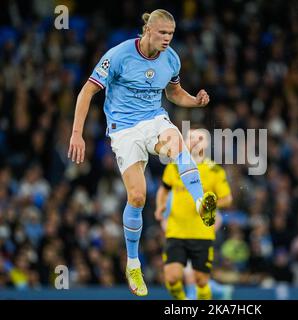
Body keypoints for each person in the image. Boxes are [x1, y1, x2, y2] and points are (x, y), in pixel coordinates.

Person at [68, 9, 218, 297]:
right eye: (162, 33)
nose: (167, 39)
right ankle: (133, 262)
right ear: (148, 30)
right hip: (123, 128)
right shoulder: (120, 55)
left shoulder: (171, 59)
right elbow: (86, 92)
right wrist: (77, 133)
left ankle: (202, 202)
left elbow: (173, 93)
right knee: (137, 196)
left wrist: (196, 102)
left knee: (176, 143)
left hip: (153, 120)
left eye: (171, 34)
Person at [155, 127, 233, 300]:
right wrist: (159, 206)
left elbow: (227, 199)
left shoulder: (214, 171)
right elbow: (164, 189)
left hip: (202, 234)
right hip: (176, 230)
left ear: (207, 144)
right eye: (190, 138)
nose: (195, 141)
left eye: (200, 138)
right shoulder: (175, 167)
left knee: (201, 281)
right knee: (172, 277)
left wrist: (209, 207)